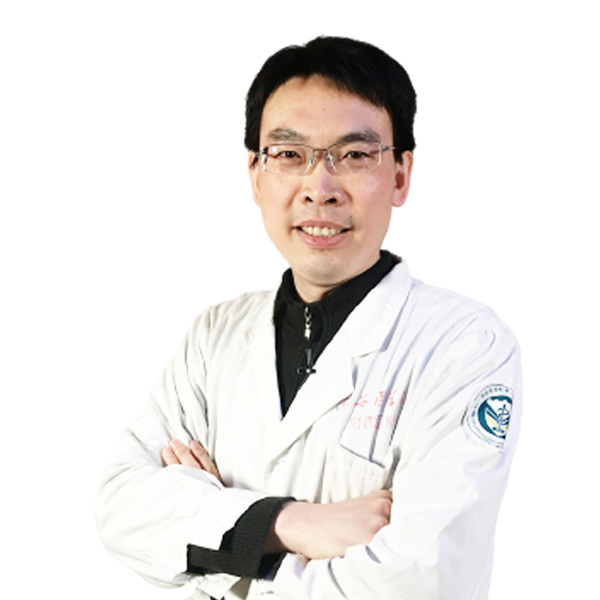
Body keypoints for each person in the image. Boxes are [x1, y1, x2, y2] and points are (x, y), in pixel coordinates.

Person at [96, 36, 521, 600]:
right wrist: (290, 522)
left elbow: (420, 580)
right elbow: (122, 509)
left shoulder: (463, 345)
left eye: (355, 155)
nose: (320, 189)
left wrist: (219, 545)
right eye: (289, 154)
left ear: (400, 175)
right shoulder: (213, 338)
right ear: (255, 174)